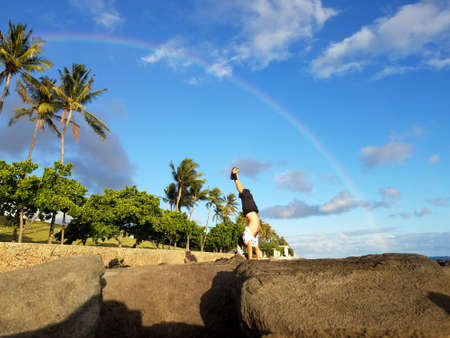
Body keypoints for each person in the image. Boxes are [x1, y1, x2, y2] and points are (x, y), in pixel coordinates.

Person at [231, 167, 261, 259]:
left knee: (244, 192)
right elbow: (256, 249)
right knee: (246, 192)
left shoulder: (247, 236)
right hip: (253, 211)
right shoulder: (252, 238)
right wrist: (258, 259)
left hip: (249, 210)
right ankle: (235, 177)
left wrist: (250, 260)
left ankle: (235, 177)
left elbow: (248, 246)